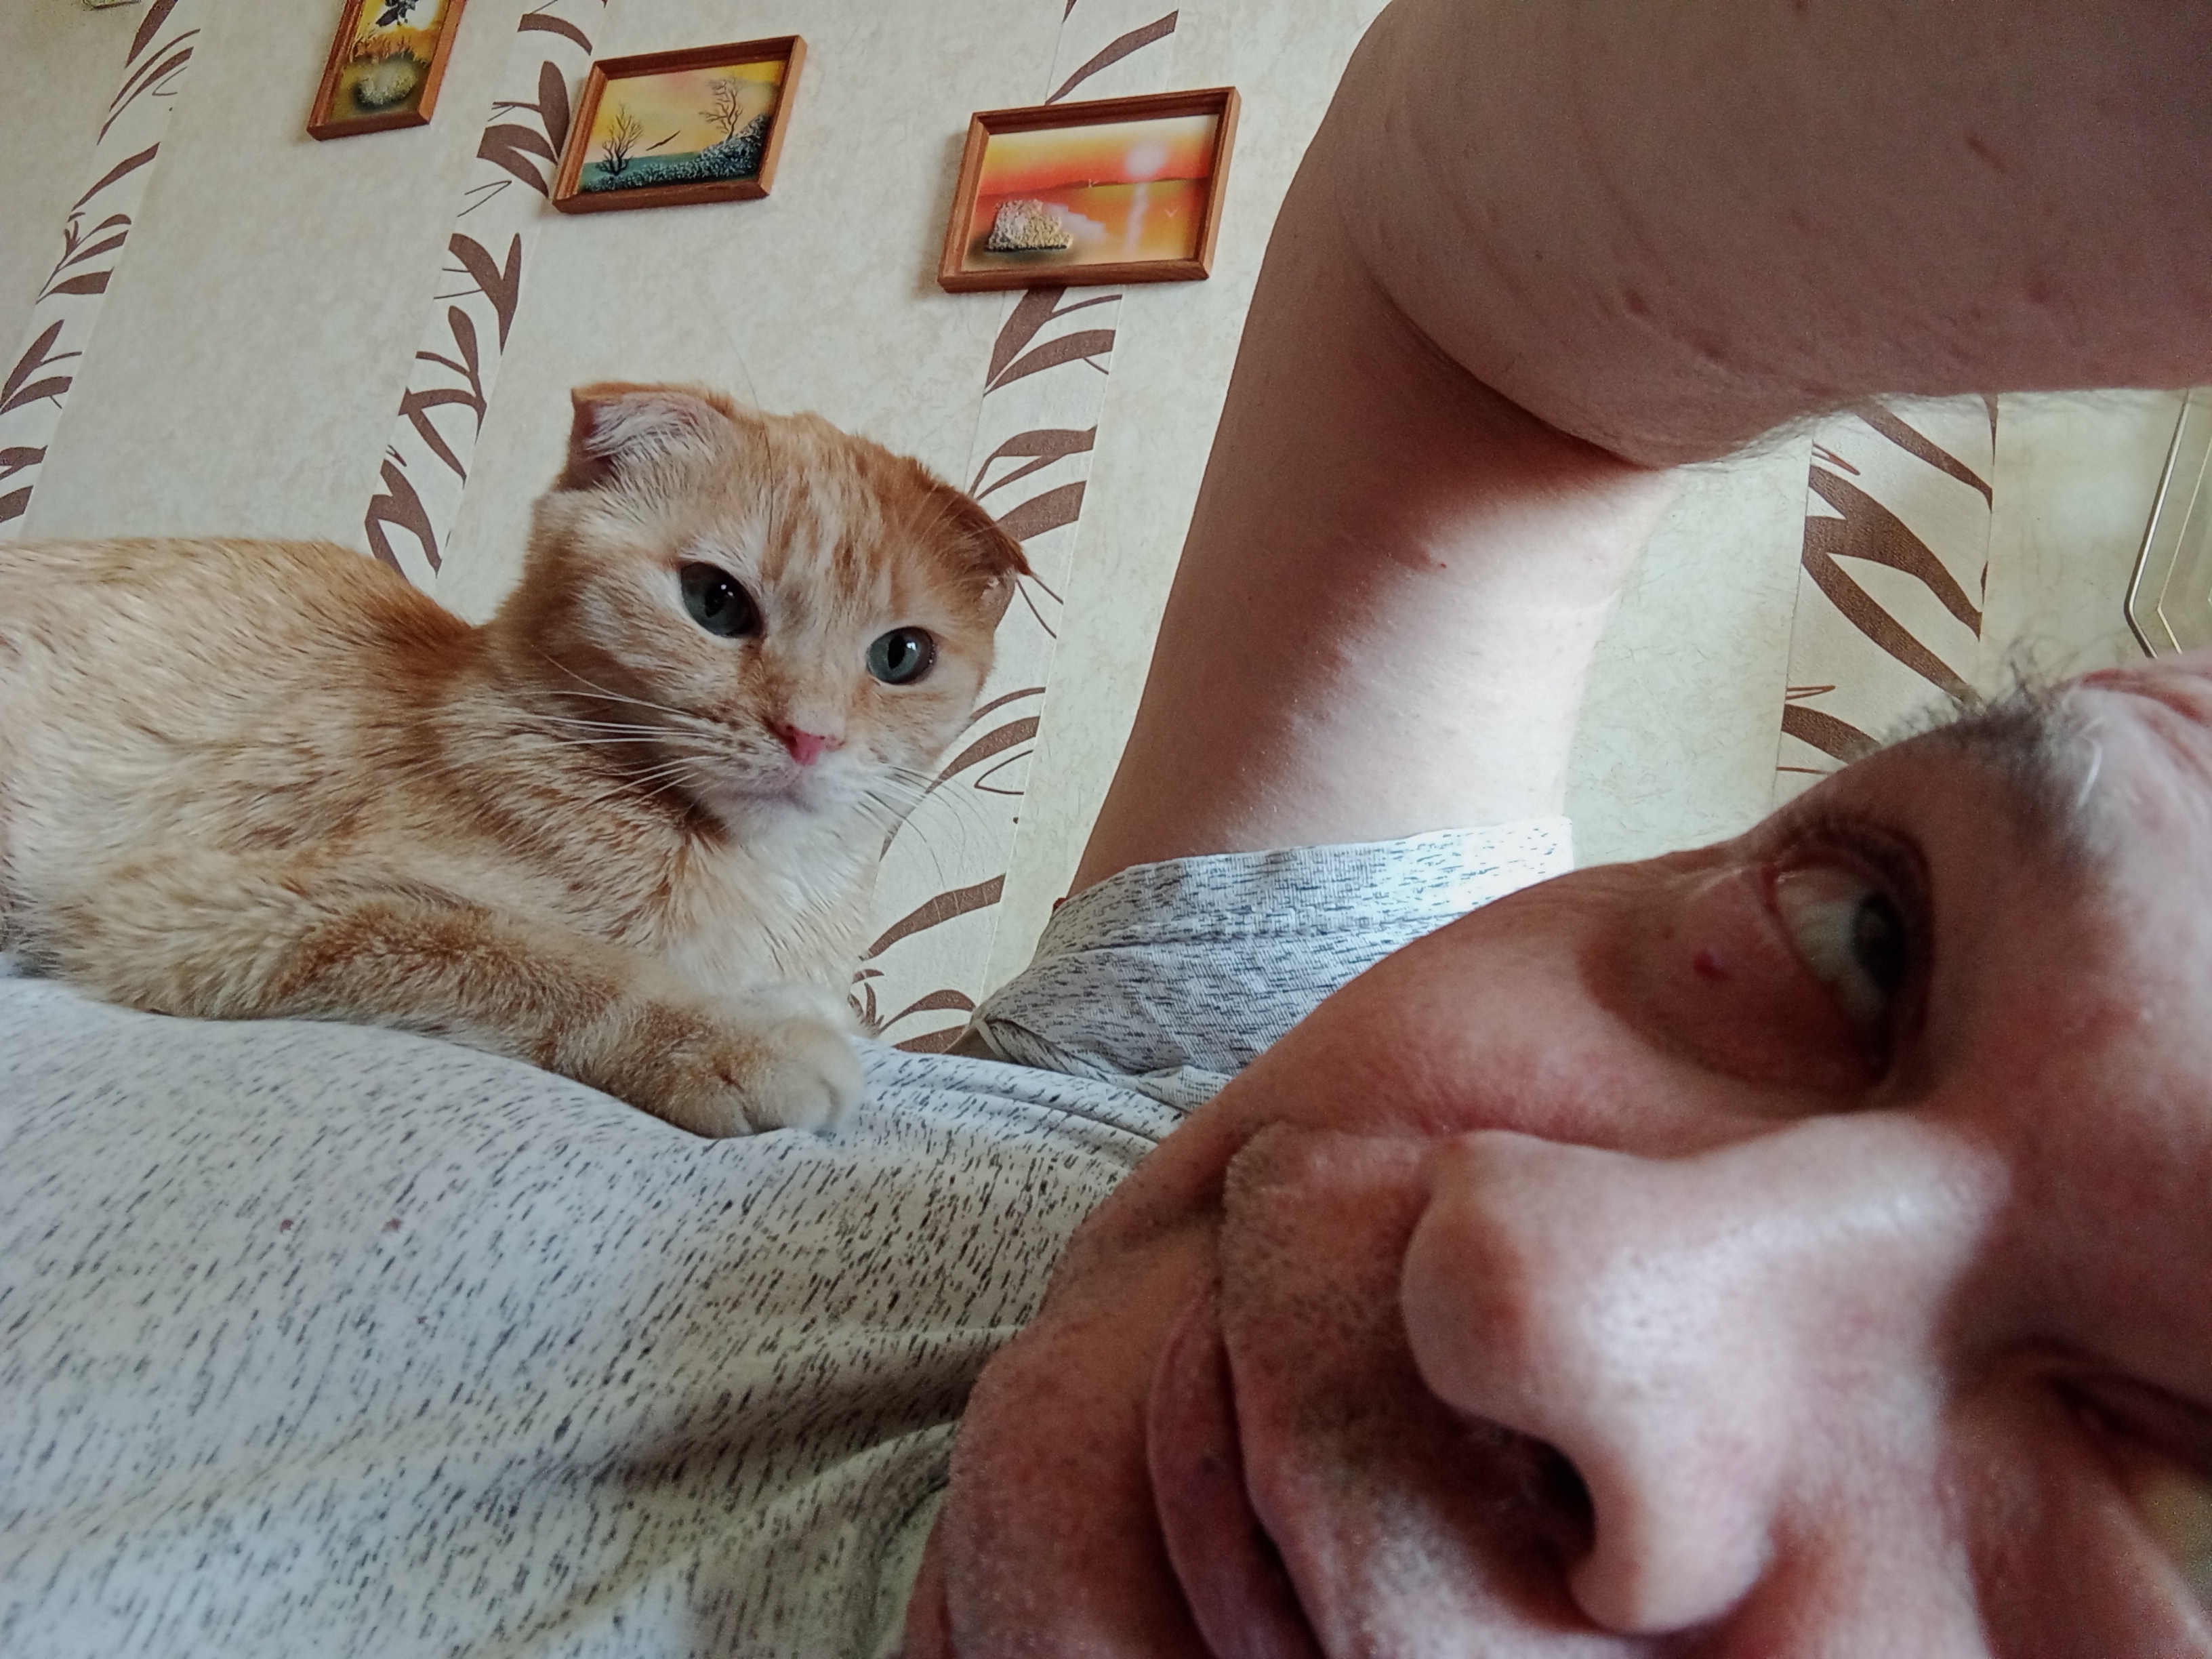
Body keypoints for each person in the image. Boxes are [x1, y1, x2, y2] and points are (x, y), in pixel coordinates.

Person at [7, 2, 2212, 1656]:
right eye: (1866, 944)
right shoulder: (1215, 1086)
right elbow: (1469, 288)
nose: (1550, 1283)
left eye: (2186, 1484)